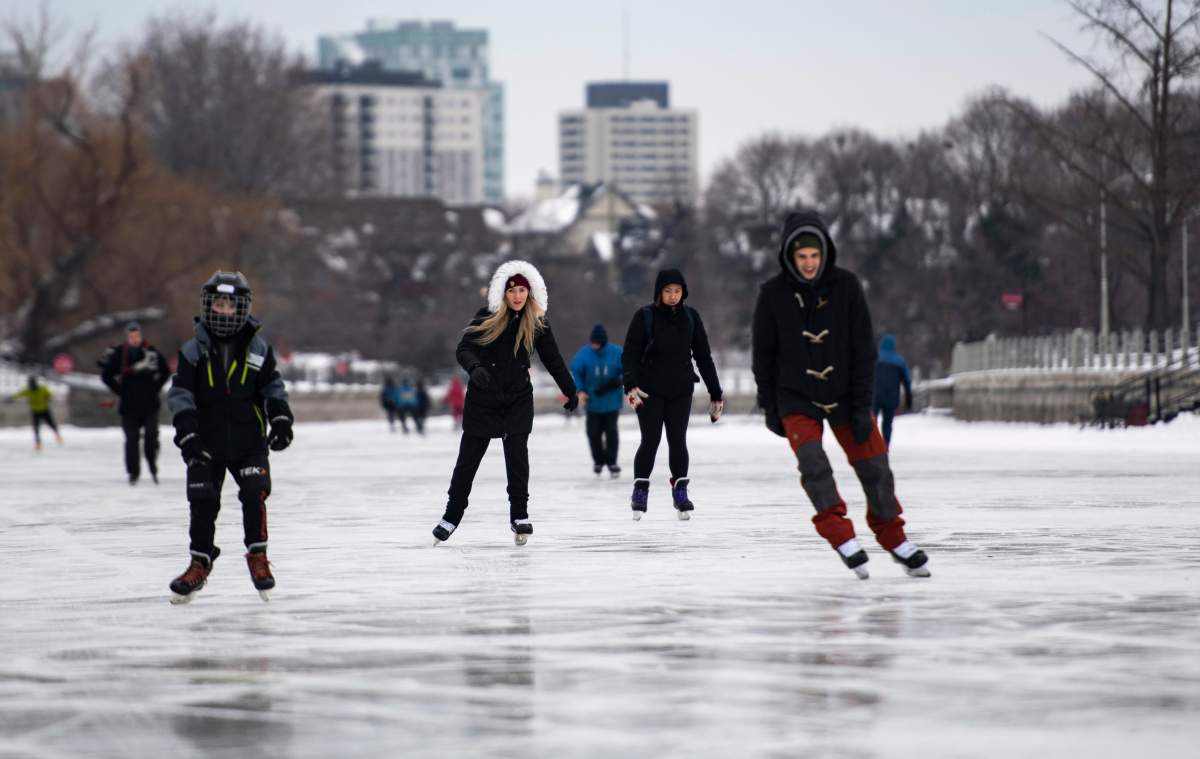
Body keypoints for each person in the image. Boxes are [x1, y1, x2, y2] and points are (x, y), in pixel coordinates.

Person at [751, 210, 930, 579]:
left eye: (814, 256)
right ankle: (840, 535)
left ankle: (893, 536)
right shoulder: (772, 294)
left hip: (846, 393)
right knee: (814, 464)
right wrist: (770, 406)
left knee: (875, 465)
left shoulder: (847, 286)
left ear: (825, 253)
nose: (809, 264)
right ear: (789, 256)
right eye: (801, 257)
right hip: (795, 393)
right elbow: (763, 354)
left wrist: (863, 405)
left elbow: (865, 349)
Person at [165, 271, 294, 603]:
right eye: (218, 304)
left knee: (255, 495)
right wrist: (188, 434)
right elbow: (180, 394)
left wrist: (279, 417)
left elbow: (272, 386)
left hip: (248, 441)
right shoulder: (193, 351)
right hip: (205, 442)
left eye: (230, 305)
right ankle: (200, 561)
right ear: (209, 307)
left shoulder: (258, 348)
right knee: (203, 503)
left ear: (242, 308)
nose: (223, 311)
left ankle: (258, 556)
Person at [431, 260, 577, 546]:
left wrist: (570, 390)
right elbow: (464, 349)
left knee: (517, 461)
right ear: (503, 294)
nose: (518, 296)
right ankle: (451, 515)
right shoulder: (487, 315)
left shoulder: (537, 323)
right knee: (467, 463)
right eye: (512, 291)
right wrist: (475, 369)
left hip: (517, 400)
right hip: (482, 400)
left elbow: (553, 360)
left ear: (530, 292)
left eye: (522, 290)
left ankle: (519, 515)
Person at [621, 269, 723, 521]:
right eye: (668, 291)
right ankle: (640, 490)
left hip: (680, 389)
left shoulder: (691, 317)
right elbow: (629, 354)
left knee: (678, 439)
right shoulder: (644, 316)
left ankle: (680, 491)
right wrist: (630, 385)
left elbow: (703, 356)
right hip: (649, 391)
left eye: (677, 291)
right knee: (651, 439)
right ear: (659, 292)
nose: (673, 296)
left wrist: (715, 392)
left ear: (683, 292)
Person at [99, 322, 170, 484]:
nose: (134, 339)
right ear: (127, 337)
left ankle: (152, 464)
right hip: (128, 406)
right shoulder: (120, 354)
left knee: (151, 438)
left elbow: (165, 372)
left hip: (150, 404)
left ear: (141, 335)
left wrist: (155, 387)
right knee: (131, 440)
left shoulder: (151, 353)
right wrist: (119, 390)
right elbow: (106, 375)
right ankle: (133, 473)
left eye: (137, 335)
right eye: (131, 336)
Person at [570, 323, 624, 478]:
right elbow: (576, 371)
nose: (595, 346)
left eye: (598, 343)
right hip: (592, 402)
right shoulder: (584, 354)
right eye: (593, 343)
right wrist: (580, 390)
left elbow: (628, 369)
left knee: (611, 432)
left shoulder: (617, 352)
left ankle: (612, 462)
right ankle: (598, 461)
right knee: (593, 433)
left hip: (612, 401)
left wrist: (617, 381)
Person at [873, 334, 913, 447]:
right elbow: (907, 381)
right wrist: (909, 400)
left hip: (875, 396)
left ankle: (873, 445)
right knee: (888, 423)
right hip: (891, 397)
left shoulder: (874, 358)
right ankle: (885, 446)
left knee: (872, 421)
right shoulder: (899, 361)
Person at [9, 375, 62, 450]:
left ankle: (57, 435)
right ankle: (38, 442)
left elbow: (49, 394)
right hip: (35, 411)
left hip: (44, 409)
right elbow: (19, 393)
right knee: (36, 427)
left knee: (51, 423)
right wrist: (11, 398)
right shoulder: (29, 390)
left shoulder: (42, 389)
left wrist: (49, 398)